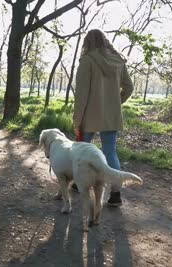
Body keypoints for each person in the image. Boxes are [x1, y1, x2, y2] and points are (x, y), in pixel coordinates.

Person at [73, 29, 134, 207]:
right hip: (111, 116)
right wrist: (115, 103)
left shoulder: (87, 60)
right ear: (105, 41)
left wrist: (77, 121)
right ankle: (115, 194)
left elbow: (81, 95)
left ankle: (78, 183)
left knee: (80, 149)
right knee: (110, 151)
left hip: (88, 116)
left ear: (87, 43)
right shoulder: (119, 61)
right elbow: (129, 87)